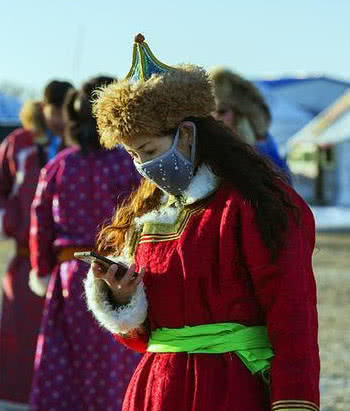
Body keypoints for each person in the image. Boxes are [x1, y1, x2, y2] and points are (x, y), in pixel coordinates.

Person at [84, 34, 319, 411]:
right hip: (156, 390)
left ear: (187, 133)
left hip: (231, 388)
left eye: (149, 151)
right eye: (133, 155)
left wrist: (294, 402)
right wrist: (124, 297)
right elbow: (143, 334)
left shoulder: (255, 204)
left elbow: (293, 314)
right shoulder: (147, 216)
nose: (143, 166)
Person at [28, 77, 142, 411]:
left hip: (68, 279)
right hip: (118, 277)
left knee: (69, 363)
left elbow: (40, 226)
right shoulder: (128, 165)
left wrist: (42, 269)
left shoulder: (58, 166)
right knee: (116, 360)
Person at [0, 80, 73, 406]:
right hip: (25, 261)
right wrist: (4, 218)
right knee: (20, 338)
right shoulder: (18, 143)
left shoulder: (82, 143)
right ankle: (22, 401)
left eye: (67, 109)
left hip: (70, 260)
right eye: (55, 109)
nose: (60, 117)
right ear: (43, 108)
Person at [210, 67, 291, 180]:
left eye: (221, 111)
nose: (214, 117)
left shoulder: (260, 150)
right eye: (209, 112)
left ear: (241, 114)